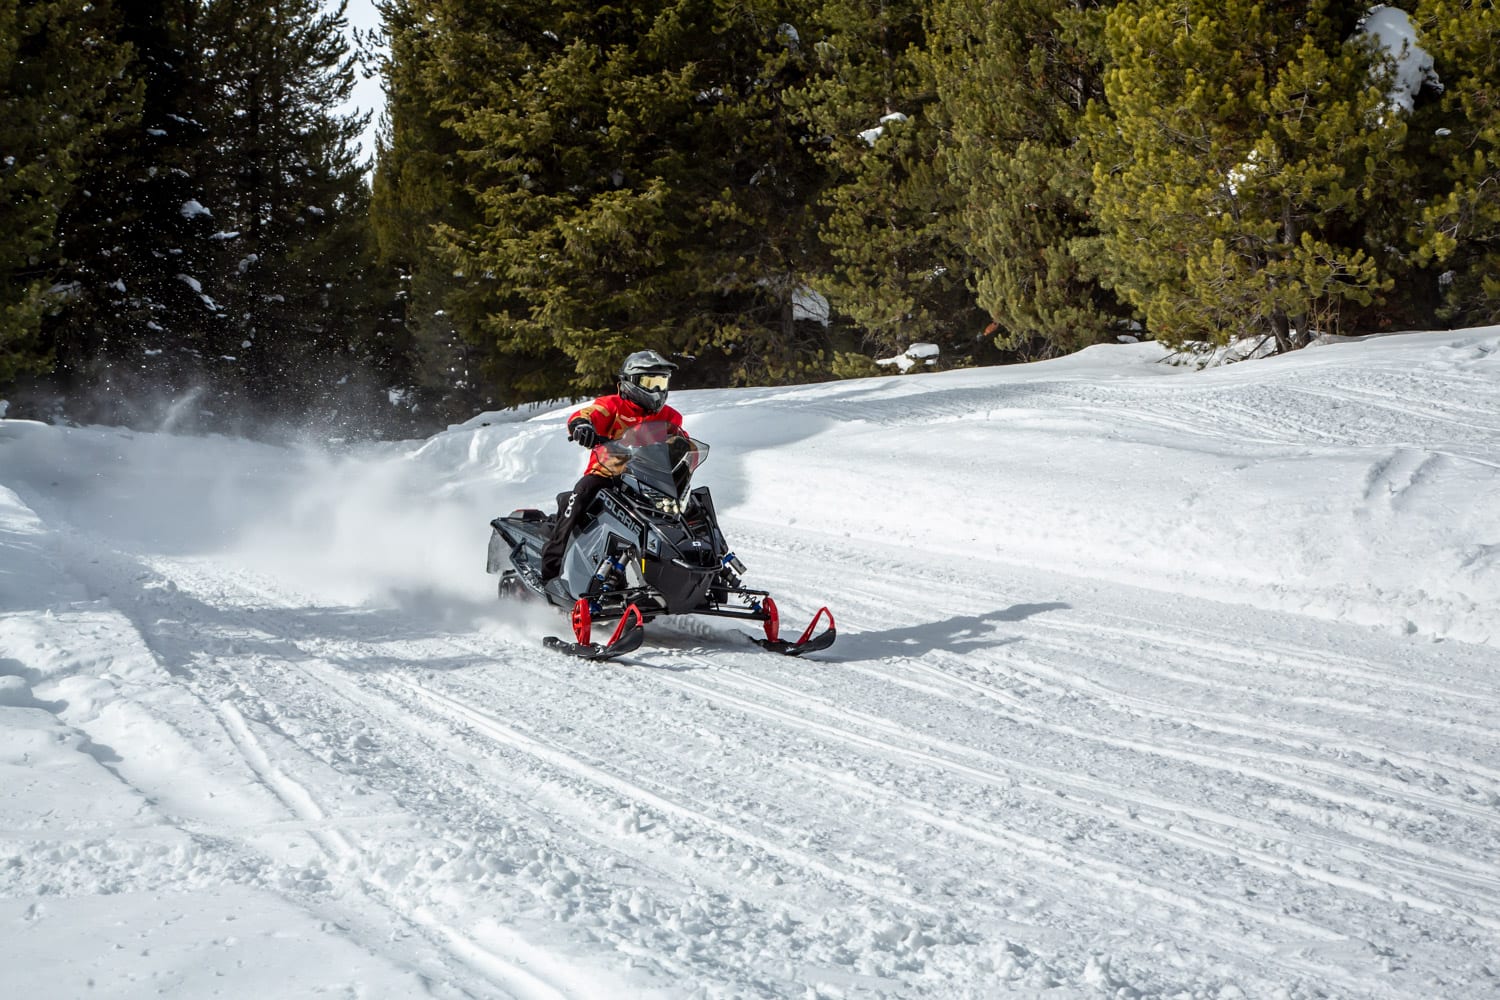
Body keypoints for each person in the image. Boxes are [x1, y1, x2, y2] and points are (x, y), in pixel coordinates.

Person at [539, 349, 685, 581]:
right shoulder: (612, 406)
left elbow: (681, 441)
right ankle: (549, 570)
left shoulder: (670, 416)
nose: (657, 390)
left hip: (649, 480)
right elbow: (587, 414)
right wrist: (582, 426)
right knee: (580, 495)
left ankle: (705, 568)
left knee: (692, 506)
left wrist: (683, 453)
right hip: (608, 474)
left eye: (661, 382)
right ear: (630, 382)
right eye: (650, 382)